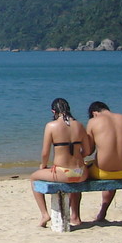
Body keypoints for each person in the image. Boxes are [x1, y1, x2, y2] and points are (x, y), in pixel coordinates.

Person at [29, 97, 90, 228]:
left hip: (63, 173)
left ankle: (44, 214)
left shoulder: (51, 126)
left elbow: (45, 153)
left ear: (53, 111)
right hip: (81, 172)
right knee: (75, 185)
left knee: (34, 177)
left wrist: (43, 166)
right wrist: (77, 156)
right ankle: (76, 216)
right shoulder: (79, 125)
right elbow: (88, 150)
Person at [84, 101, 122, 223]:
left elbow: (89, 151)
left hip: (102, 172)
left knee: (82, 169)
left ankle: (75, 215)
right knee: (116, 172)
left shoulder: (93, 122)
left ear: (94, 113)